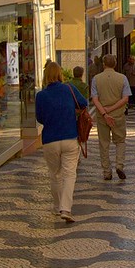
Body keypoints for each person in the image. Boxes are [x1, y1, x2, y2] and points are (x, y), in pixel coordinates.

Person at [35, 61, 88, 223]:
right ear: (59, 74)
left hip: (50, 139)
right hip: (70, 137)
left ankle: (57, 206)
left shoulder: (41, 95)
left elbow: (40, 118)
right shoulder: (68, 88)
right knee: (69, 174)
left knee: (54, 174)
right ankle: (66, 208)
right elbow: (84, 103)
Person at [91, 54, 131, 180]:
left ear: (103, 64)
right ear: (115, 64)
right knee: (120, 141)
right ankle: (119, 164)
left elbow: (95, 99)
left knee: (104, 143)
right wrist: (111, 109)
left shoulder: (96, 79)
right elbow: (125, 98)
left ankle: (107, 171)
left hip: (102, 117)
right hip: (117, 115)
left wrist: (104, 112)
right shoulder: (122, 78)